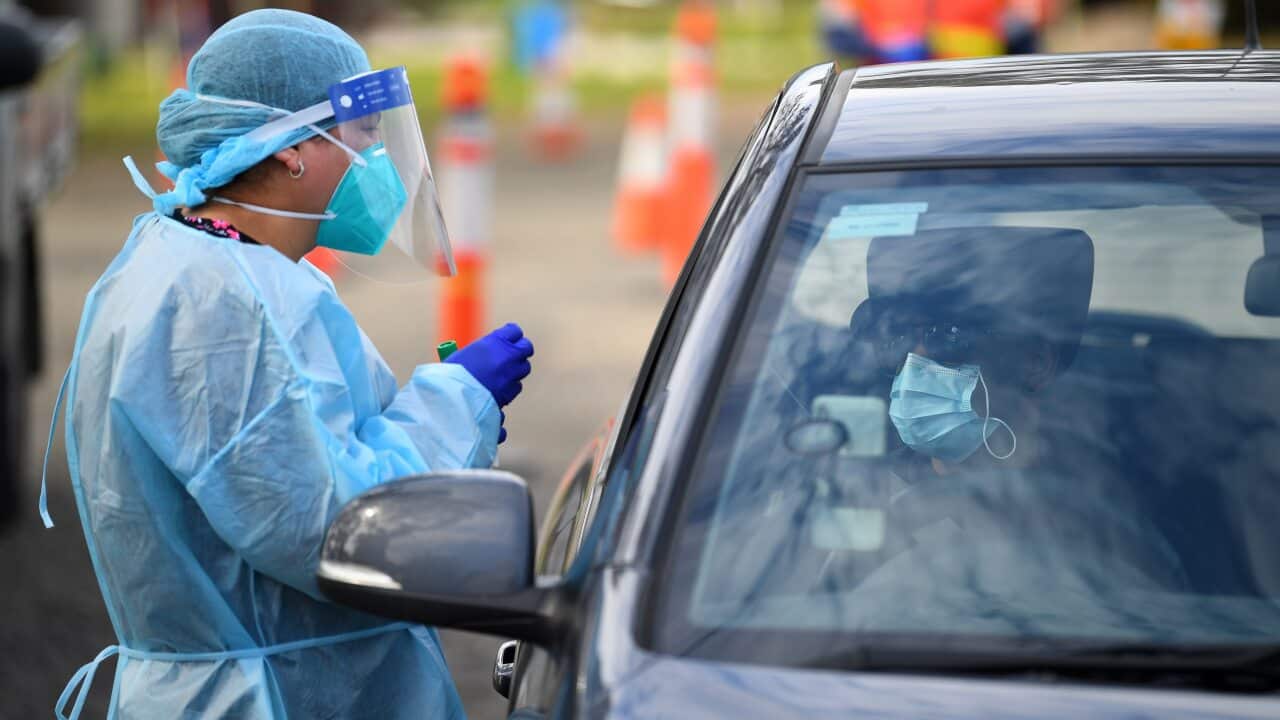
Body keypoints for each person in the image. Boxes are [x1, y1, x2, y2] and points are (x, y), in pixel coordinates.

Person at [41, 9, 533, 719]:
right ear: (291, 147)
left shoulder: (209, 265)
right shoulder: (217, 305)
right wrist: (455, 402)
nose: (383, 161)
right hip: (266, 698)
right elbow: (325, 529)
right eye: (366, 134)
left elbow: (303, 460)